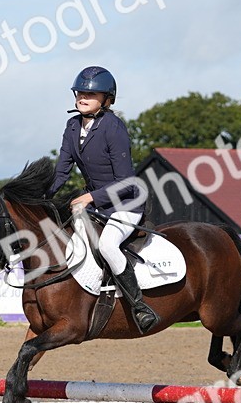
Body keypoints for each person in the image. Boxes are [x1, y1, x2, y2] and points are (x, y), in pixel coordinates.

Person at [48, 65, 159, 334]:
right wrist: (42, 197)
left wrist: (89, 196)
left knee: (108, 245)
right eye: (80, 92)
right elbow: (62, 170)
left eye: (91, 93)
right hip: (98, 206)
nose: (82, 98)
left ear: (107, 99)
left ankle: (140, 307)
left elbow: (126, 181)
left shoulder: (113, 128)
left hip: (126, 204)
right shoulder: (73, 126)